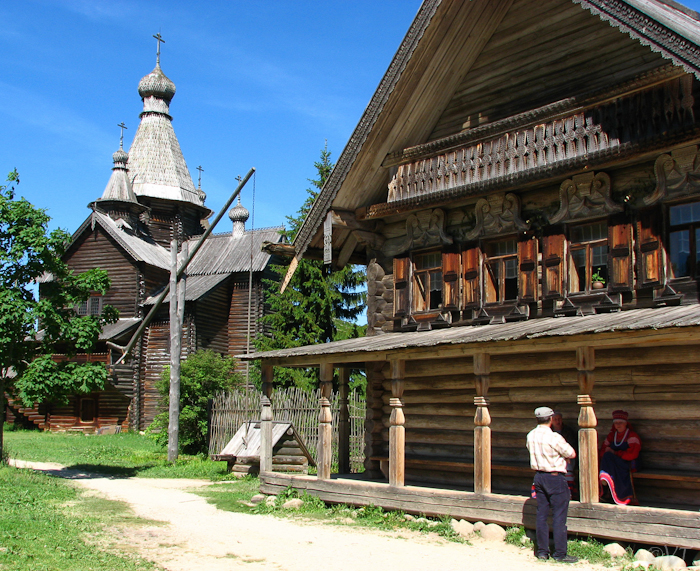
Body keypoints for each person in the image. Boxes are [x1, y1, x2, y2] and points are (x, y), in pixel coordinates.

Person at [526, 406, 578, 563]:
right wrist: (563, 458)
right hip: (555, 477)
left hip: (539, 476)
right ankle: (560, 553)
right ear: (550, 419)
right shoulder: (554, 437)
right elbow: (571, 453)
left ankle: (542, 551)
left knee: (542, 515)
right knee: (559, 516)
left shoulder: (531, 435)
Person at [599, 410, 641, 505]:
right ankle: (604, 484)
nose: (618, 425)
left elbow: (632, 455)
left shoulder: (632, 436)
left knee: (609, 457)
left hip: (628, 463)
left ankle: (606, 481)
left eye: (621, 422)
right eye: (616, 423)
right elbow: (603, 450)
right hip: (614, 463)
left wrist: (615, 453)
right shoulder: (612, 436)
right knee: (606, 457)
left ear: (626, 423)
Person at [552, 412, 578, 498]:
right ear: (552, 421)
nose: (558, 421)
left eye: (559, 419)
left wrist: (565, 456)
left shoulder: (568, 431)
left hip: (567, 457)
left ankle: (569, 492)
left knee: (568, 467)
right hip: (554, 457)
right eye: (555, 419)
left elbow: (572, 446)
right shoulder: (550, 432)